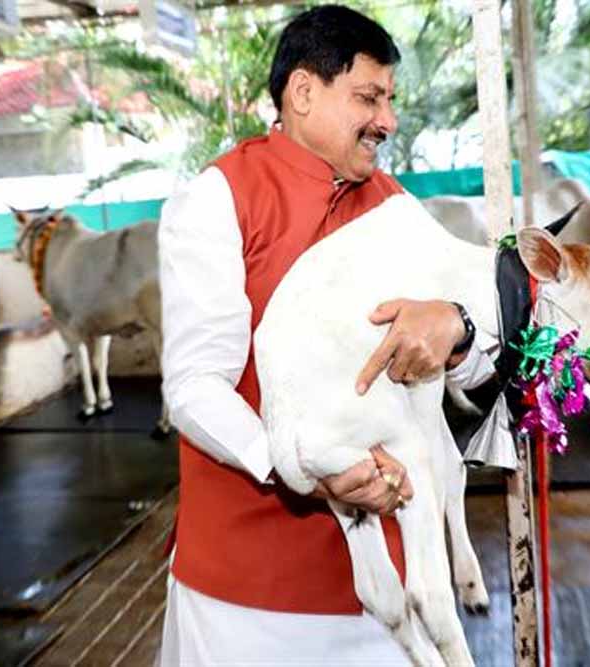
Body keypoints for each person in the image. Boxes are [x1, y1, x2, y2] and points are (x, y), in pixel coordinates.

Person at [157, 5, 494, 664]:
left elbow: (479, 361)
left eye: (390, 100)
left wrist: (457, 328)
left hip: (392, 591)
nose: (388, 121)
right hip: (251, 598)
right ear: (303, 92)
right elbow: (195, 386)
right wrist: (307, 468)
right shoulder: (221, 197)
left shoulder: (394, 204)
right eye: (368, 98)